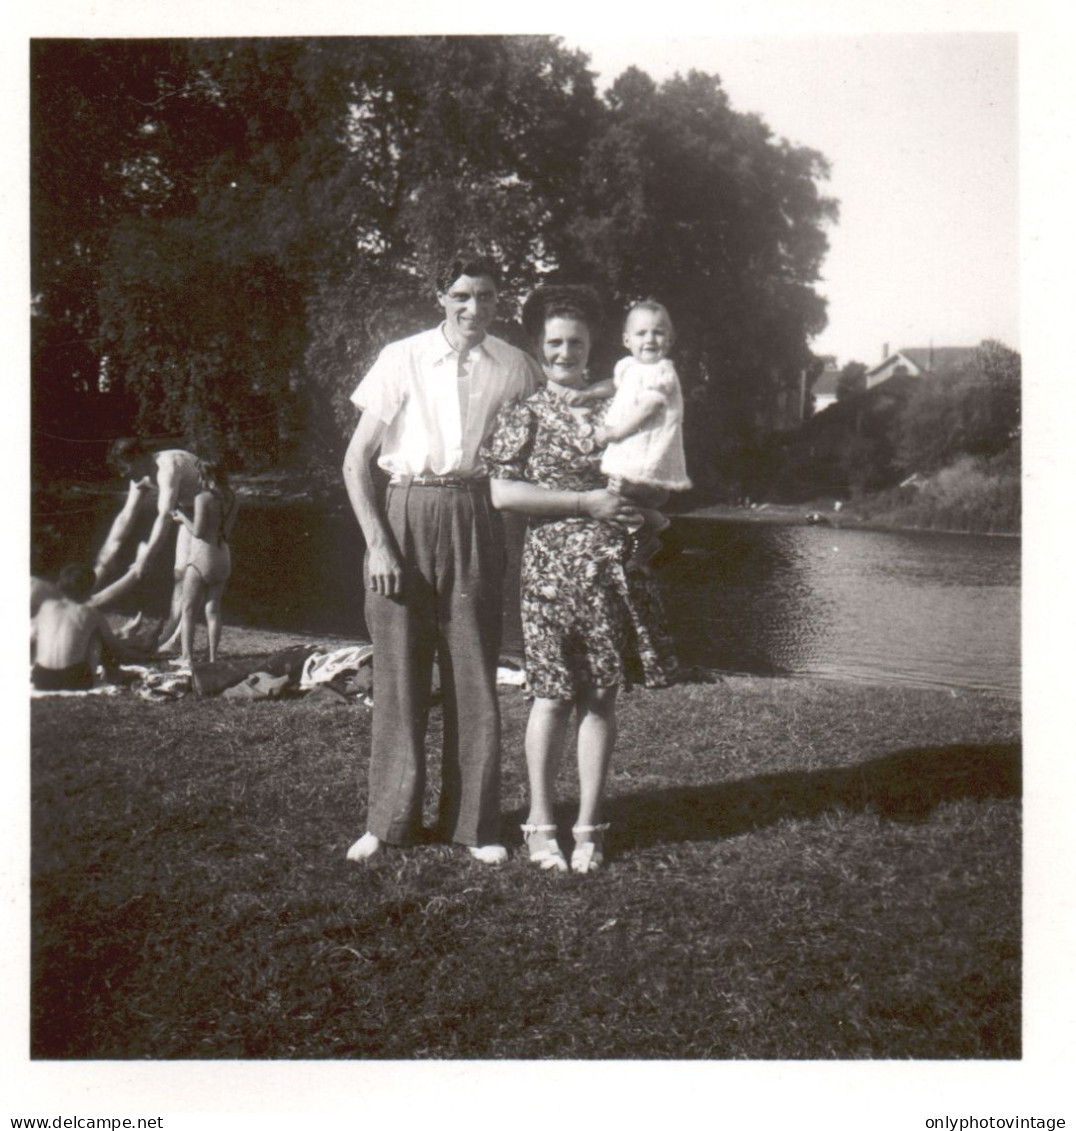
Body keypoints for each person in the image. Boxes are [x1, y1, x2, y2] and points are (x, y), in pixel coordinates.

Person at [341, 253, 542, 865]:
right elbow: (355, 463)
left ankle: (475, 826)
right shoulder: (402, 357)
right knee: (399, 674)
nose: (473, 308)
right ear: (440, 297)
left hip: (476, 514)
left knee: (474, 674)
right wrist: (378, 542)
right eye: (461, 296)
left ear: (497, 300)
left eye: (485, 296)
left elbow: (551, 429)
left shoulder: (514, 366)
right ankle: (389, 821)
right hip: (404, 513)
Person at [483, 285, 679, 874]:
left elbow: (652, 472)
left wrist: (649, 515)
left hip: (615, 570)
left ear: (595, 347)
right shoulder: (525, 411)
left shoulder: (618, 404)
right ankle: (541, 824)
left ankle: (590, 825)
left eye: (576, 343)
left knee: (600, 698)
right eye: (554, 343)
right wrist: (582, 502)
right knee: (551, 697)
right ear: (539, 348)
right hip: (550, 571)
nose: (565, 352)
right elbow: (501, 493)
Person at [584, 301, 692, 569]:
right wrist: (587, 393)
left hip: (647, 456)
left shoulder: (662, 372)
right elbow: (614, 386)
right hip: (631, 455)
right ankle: (656, 531)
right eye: (642, 333)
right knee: (622, 501)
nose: (650, 339)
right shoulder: (629, 367)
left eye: (658, 332)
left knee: (615, 498)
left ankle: (650, 539)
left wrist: (614, 432)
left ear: (670, 339)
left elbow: (649, 406)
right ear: (627, 340)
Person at [93, 439, 205, 645]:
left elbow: (164, 515)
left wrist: (146, 559)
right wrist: (104, 559)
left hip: (211, 507)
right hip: (188, 509)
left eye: (124, 466)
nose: (122, 474)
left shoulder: (167, 467)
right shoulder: (141, 474)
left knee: (188, 573)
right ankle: (171, 635)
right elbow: (126, 516)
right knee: (178, 572)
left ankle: (176, 637)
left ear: (138, 457)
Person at [169, 460, 238, 666]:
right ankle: (212, 658)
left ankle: (186, 657)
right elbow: (225, 530)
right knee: (213, 609)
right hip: (223, 555)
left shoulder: (202, 498)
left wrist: (182, 518)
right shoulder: (232, 498)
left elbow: (198, 532)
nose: (198, 481)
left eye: (200, 477)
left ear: (206, 477)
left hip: (202, 556)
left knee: (189, 608)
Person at [31, 564, 141, 690]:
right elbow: (113, 645)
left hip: (41, 679)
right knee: (97, 636)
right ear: (89, 589)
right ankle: (113, 673)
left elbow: (32, 637)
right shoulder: (90, 613)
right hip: (72, 680)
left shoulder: (47, 606)